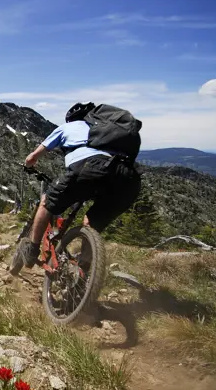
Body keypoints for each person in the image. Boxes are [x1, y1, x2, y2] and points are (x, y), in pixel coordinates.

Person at [12, 102, 141, 270]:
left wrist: (28, 165)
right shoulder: (105, 131)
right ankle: (84, 274)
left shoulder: (67, 127)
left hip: (90, 167)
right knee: (91, 223)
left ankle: (32, 250)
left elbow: (32, 157)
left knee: (46, 202)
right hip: (128, 178)